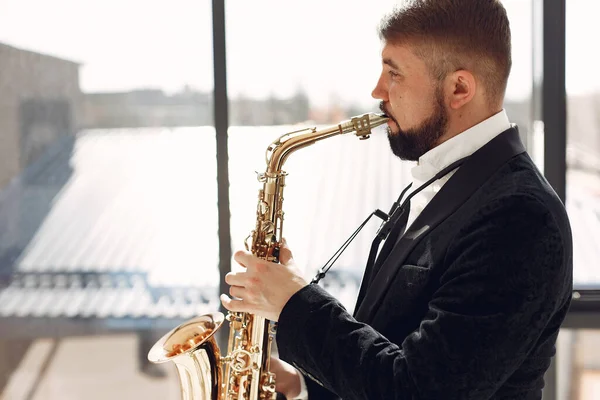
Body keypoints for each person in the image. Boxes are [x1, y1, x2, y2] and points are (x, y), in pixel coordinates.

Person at [220, 0, 573, 399]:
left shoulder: (520, 217)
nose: (377, 91)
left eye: (394, 74)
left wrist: (294, 303)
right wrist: (301, 384)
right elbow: (389, 352)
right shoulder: (436, 184)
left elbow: (418, 390)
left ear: (459, 88)